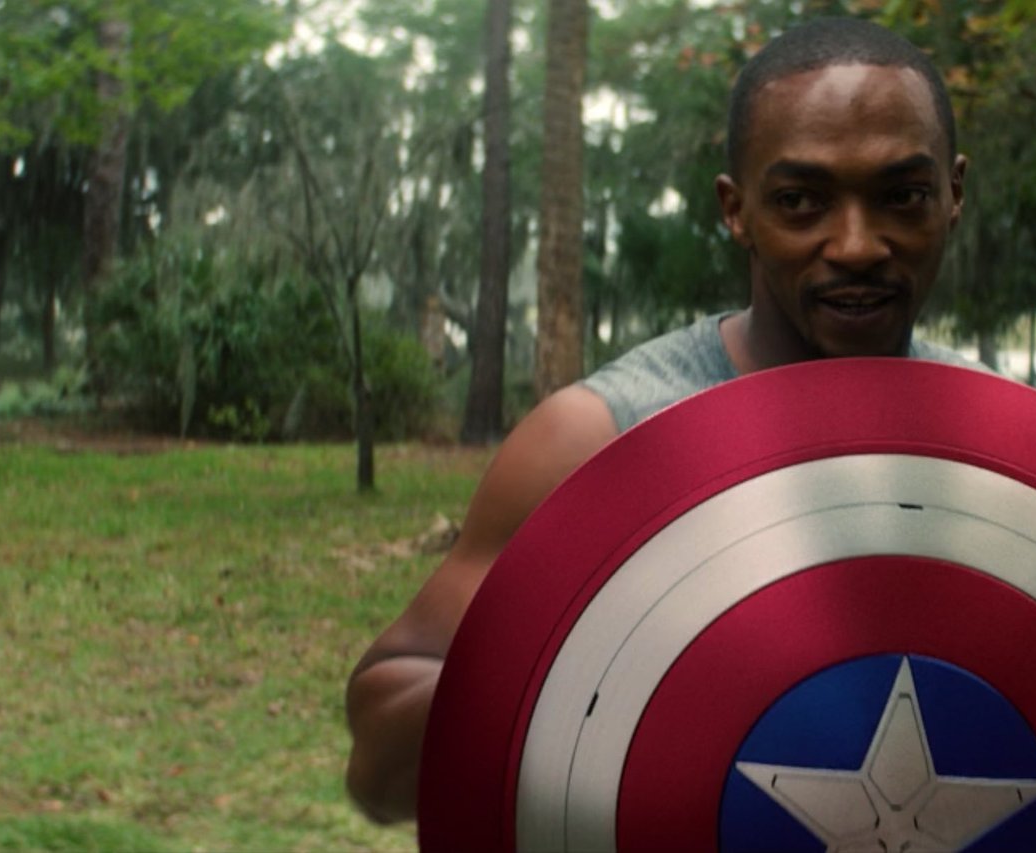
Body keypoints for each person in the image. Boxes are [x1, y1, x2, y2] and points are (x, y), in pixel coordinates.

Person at [344, 16, 971, 823]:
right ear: (736, 210)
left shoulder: (1017, 463)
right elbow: (381, 767)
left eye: (902, 196)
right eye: (800, 202)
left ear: (953, 196)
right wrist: (628, 652)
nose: (855, 245)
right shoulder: (598, 442)